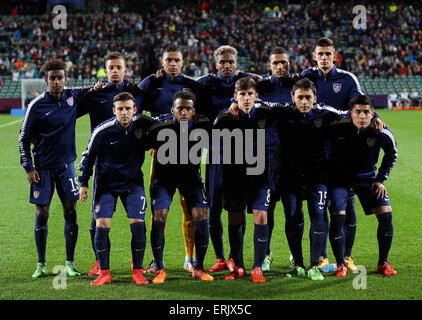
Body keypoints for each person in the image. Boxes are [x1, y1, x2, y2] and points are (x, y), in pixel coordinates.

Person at [18, 59, 94, 278]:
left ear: (65, 79)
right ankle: (41, 264)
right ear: (46, 80)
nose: (57, 81)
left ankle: (69, 263)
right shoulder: (36, 105)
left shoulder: (73, 96)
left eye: (60, 77)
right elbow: (23, 138)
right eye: (52, 78)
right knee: (42, 214)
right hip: (42, 170)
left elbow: (93, 89)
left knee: (71, 212)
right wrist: (28, 167)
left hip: (66, 168)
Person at [77, 51, 148, 277]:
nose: (115, 70)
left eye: (119, 67)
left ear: (126, 70)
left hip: (130, 167)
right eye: (111, 67)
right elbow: (70, 111)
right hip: (103, 164)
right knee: (98, 220)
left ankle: (136, 267)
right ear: (105, 71)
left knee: (134, 221)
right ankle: (100, 263)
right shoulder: (96, 95)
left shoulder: (136, 94)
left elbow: (158, 108)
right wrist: (89, 90)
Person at [302, 37, 366, 271]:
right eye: (320, 54)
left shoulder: (348, 79)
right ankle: (322, 256)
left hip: (343, 152)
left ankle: (347, 255)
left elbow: (360, 104)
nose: (324, 58)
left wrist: (377, 120)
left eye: (328, 54)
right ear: (314, 55)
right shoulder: (306, 77)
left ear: (335, 55)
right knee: (320, 205)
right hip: (316, 153)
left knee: (346, 205)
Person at [139, 44, 203, 273]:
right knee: (158, 209)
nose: (173, 64)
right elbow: (136, 112)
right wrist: (148, 139)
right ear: (162, 61)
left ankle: (190, 258)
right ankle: (157, 260)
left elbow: (203, 117)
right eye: (169, 60)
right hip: (161, 156)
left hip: (189, 156)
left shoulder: (194, 86)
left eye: (177, 60)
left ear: (183, 62)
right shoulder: (151, 84)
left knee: (191, 209)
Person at [197, 45, 261, 273]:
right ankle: (220, 257)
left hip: (241, 157)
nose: (227, 65)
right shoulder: (204, 84)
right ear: (216, 63)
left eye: (231, 61)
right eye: (222, 62)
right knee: (213, 209)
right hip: (215, 156)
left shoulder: (248, 82)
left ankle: (236, 257)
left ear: (237, 63)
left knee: (237, 208)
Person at [327, 95, 398, 277]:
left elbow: (392, 154)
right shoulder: (337, 126)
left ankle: (383, 263)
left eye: (367, 112)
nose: (362, 116)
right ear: (351, 113)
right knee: (338, 217)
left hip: (367, 179)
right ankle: (341, 264)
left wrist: (381, 179)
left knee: (386, 215)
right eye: (358, 112)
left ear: (373, 114)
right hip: (339, 180)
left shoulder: (380, 132)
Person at [147, 90, 213, 283]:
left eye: (188, 109)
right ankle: (159, 268)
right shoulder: (160, 126)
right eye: (180, 108)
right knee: (160, 215)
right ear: (172, 110)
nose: (184, 112)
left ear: (194, 111)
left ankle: (198, 268)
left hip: (190, 178)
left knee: (201, 216)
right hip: (164, 179)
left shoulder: (204, 125)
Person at [214, 77, 272, 283]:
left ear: (256, 96)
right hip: (234, 177)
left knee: (261, 216)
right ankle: (238, 266)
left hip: (260, 176)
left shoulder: (266, 113)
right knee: (235, 219)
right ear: (235, 96)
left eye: (250, 94)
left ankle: (257, 267)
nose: (246, 98)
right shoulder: (225, 118)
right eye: (242, 94)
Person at [256, 46, 297, 271]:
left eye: (284, 62)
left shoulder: (297, 85)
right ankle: (267, 253)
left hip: (292, 160)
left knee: (293, 209)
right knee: (267, 208)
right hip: (266, 159)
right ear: (269, 65)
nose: (280, 67)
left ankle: (295, 255)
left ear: (290, 63)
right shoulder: (261, 87)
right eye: (276, 63)